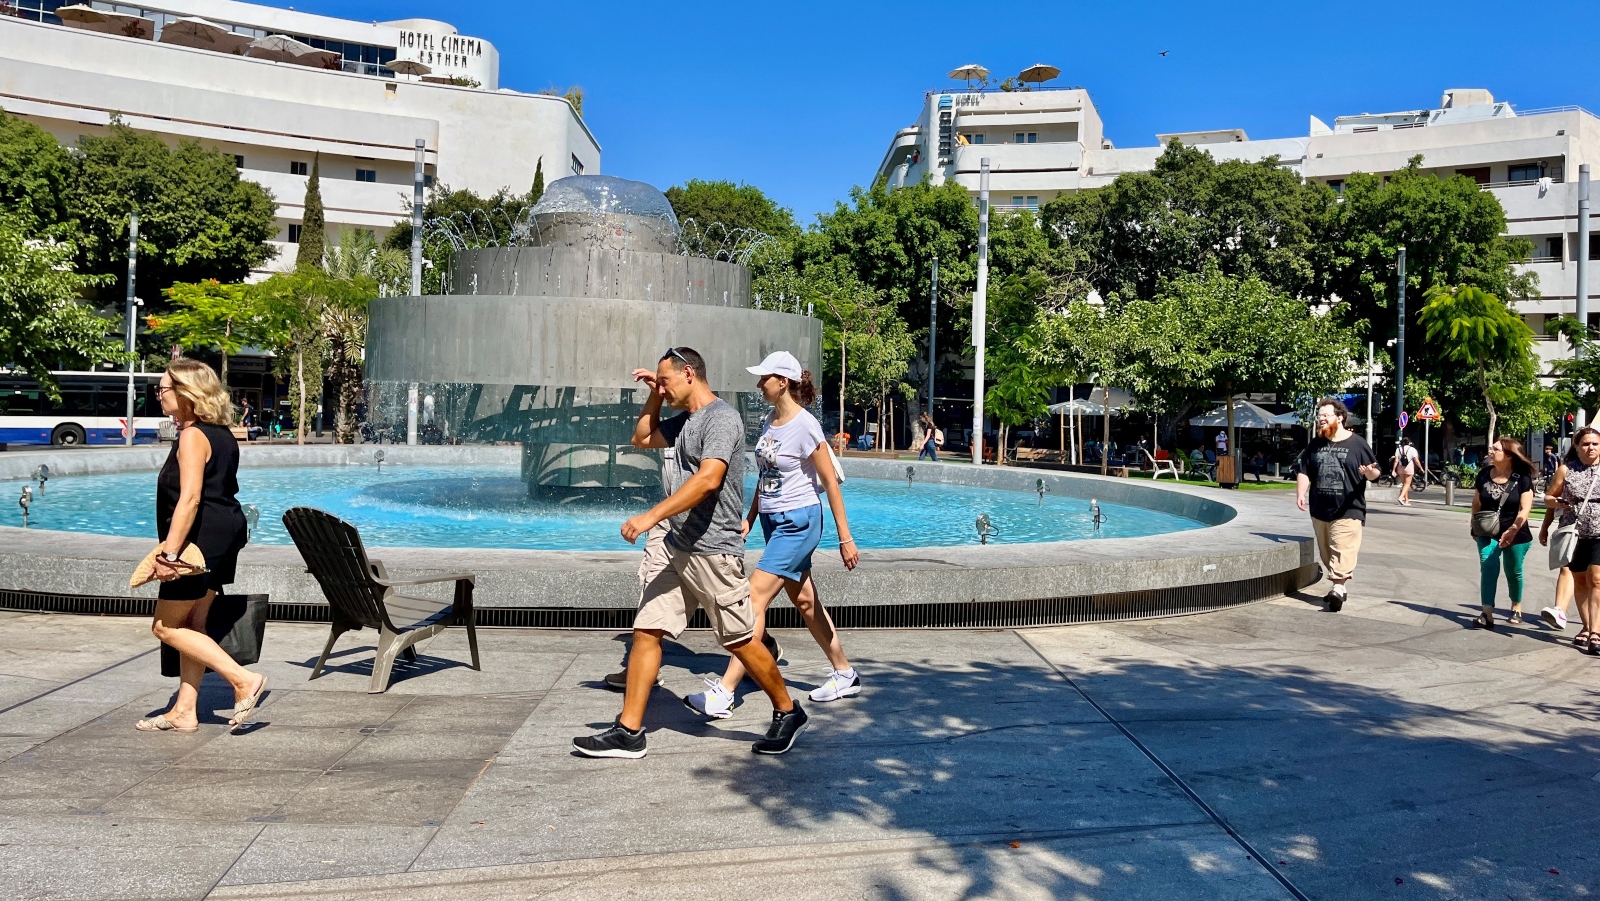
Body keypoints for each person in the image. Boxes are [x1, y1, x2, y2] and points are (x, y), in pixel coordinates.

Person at [573, 347, 805, 758]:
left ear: (690, 374)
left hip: (712, 549)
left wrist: (650, 517)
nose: (661, 387)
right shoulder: (686, 420)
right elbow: (641, 437)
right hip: (678, 547)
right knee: (647, 630)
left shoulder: (721, 419)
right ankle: (629, 731)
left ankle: (788, 711)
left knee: (740, 641)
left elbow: (709, 479)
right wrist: (657, 395)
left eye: (666, 381)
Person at [685, 352, 862, 719]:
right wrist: (750, 518)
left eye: (764, 377)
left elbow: (830, 482)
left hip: (799, 523)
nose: (758, 384)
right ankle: (845, 673)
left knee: (753, 598)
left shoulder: (806, 425)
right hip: (773, 523)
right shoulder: (770, 420)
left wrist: (845, 538)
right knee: (807, 603)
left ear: (783, 381)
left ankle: (725, 692)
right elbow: (766, 476)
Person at [140, 359, 267, 733]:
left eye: (163, 389)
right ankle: (184, 710)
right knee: (195, 622)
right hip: (226, 532)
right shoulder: (222, 433)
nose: (159, 396)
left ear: (186, 393)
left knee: (165, 627)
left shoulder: (193, 436)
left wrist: (169, 554)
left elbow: (191, 498)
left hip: (200, 540)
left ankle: (242, 679)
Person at [1295, 397, 1381, 612]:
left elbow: (1375, 473)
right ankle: (1338, 587)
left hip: (1349, 508)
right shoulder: (1316, 444)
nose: (1321, 419)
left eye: (1326, 415)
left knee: (1342, 547)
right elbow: (1304, 470)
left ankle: (1338, 588)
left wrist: (1369, 472)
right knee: (1327, 552)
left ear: (1340, 417)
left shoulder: (1357, 443)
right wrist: (1301, 493)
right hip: (1320, 508)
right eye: (1320, 415)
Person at [1543, 427, 1600, 655]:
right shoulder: (1566, 470)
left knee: (1596, 578)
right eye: (1585, 444)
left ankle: (1596, 632)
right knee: (1580, 580)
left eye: (1595, 444)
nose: (1591, 448)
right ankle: (1586, 626)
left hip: (1599, 533)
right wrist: (1556, 503)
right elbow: (1548, 497)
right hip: (1573, 533)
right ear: (1576, 447)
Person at [1468, 438, 1535, 630]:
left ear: (1508, 455)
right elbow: (1477, 502)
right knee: (1488, 565)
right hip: (1487, 530)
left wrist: (1513, 529)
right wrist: (1473, 524)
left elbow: (1525, 509)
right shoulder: (1483, 475)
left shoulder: (1522, 479)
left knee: (1513, 570)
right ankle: (1487, 612)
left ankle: (1516, 605)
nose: (1490, 451)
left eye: (1495, 449)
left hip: (1516, 532)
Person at [1539, 442, 1582, 632]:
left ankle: (1591, 626)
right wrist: (1545, 527)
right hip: (1570, 527)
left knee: (1593, 577)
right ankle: (1560, 611)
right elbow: (1551, 500)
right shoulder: (1566, 471)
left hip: (1596, 530)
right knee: (1567, 567)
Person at [1394, 437, 1421, 506]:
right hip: (1409, 467)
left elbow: (1396, 460)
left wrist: (1394, 469)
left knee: (1404, 484)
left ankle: (1406, 501)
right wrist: (1421, 468)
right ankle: (1401, 497)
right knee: (1407, 484)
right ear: (1409, 442)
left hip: (1400, 467)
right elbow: (1416, 461)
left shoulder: (1398, 449)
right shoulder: (1412, 449)